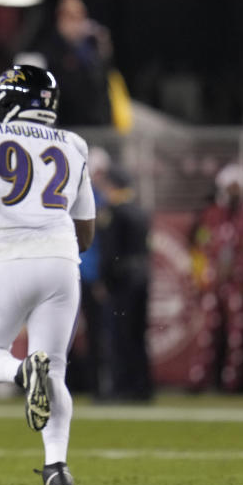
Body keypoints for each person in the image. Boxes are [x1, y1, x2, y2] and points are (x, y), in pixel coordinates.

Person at [0, 65, 95, 485]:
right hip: (63, 263)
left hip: (10, 260)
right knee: (57, 369)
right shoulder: (75, 143)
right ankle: (57, 467)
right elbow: (86, 232)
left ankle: (19, 373)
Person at [189, 163, 243, 392]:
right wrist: (202, 277)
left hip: (242, 284)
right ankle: (200, 381)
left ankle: (233, 383)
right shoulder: (212, 214)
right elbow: (200, 245)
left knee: (238, 335)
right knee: (208, 333)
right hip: (216, 282)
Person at [94, 166, 152, 401]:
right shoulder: (140, 211)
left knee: (119, 335)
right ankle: (142, 387)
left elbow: (109, 252)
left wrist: (103, 281)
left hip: (121, 280)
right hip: (142, 276)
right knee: (138, 335)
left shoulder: (112, 212)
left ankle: (120, 388)